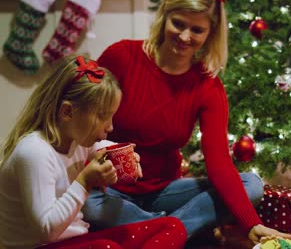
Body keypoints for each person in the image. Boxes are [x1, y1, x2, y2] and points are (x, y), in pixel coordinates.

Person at [81, 0, 291, 245]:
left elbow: (219, 164)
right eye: (178, 23)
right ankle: (173, 229)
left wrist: (252, 223)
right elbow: (84, 116)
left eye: (197, 30)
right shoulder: (122, 56)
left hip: (164, 191)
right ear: (164, 16)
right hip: (108, 189)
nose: (184, 36)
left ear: (210, 33)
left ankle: (154, 229)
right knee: (88, 205)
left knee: (252, 184)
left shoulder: (207, 85)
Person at [0, 55, 187, 249]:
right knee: (106, 247)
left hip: (78, 240)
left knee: (172, 226)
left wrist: (126, 159)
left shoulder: (78, 140)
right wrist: (85, 182)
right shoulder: (34, 152)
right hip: (40, 245)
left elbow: (105, 148)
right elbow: (47, 230)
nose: (110, 127)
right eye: (103, 116)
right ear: (67, 112)